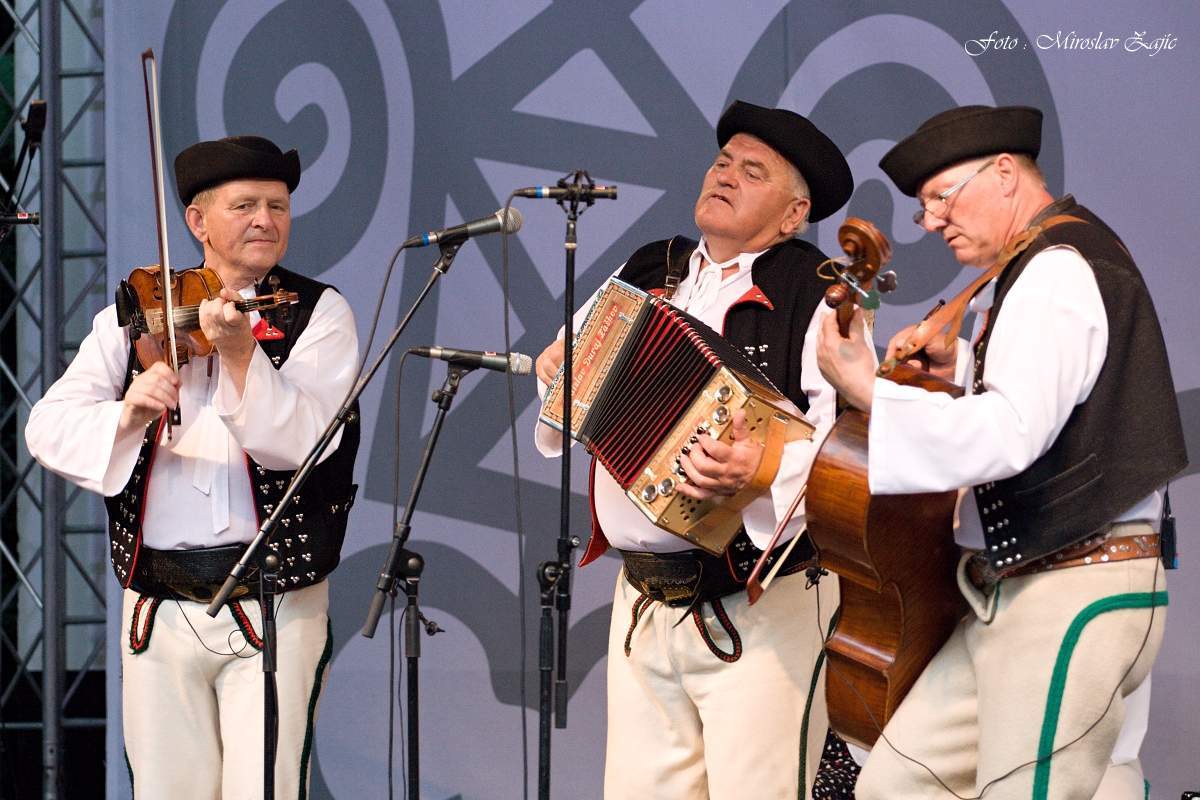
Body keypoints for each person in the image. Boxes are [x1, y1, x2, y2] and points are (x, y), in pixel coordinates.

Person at [815, 105, 1187, 799]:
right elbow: (1056, 394)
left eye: (940, 197)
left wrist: (870, 391)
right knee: (897, 784)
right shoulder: (1046, 261)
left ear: (1006, 173)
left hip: (1071, 588)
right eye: (925, 206)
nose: (931, 221)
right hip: (1018, 591)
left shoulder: (1055, 270)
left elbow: (1012, 431)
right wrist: (961, 369)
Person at [534, 100, 858, 798]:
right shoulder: (652, 265)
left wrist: (760, 469)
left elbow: (846, 446)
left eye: (753, 172)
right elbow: (572, 370)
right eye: (722, 162)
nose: (725, 176)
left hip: (760, 608)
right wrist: (557, 368)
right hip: (642, 598)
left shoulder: (816, 291)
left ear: (794, 215)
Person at [25, 135, 360, 798]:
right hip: (156, 604)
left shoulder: (317, 313)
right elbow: (47, 428)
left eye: (277, 206)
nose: (265, 219)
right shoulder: (135, 314)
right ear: (197, 221)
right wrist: (127, 413)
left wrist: (240, 354)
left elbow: (303, 441)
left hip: (271, 602)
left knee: (262, 789)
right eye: (245, 206)